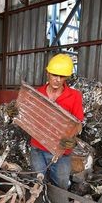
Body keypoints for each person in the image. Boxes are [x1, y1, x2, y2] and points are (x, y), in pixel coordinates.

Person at [30, 54, 84, 190]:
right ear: (47, 72)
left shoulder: (75, 96)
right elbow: (29, 116)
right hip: (38, 148)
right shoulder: (38, 93)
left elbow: (78, 123)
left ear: (67, 77)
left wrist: (72, 137)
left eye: (62, 76)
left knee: (60, 186)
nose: (58, 80)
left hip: (61, 151)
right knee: (37, 185)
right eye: (54, 75)